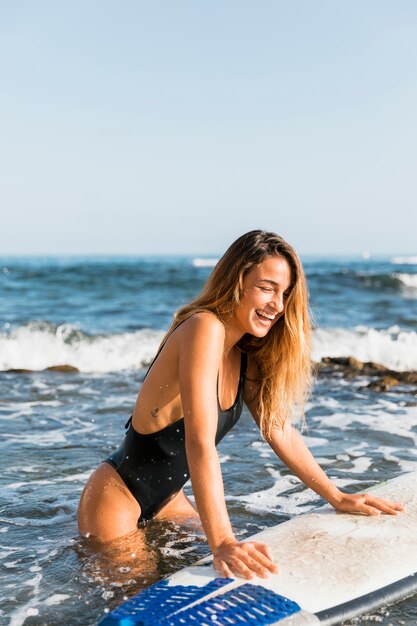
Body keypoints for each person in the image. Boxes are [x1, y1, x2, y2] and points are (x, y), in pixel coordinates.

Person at [78, 230, 404, 580]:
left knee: (232, 575)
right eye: (266, 288)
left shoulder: (245, 352)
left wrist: (337, 496)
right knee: (134, 599)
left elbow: (278, 428)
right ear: (236, 281)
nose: (277, 305)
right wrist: (223, 543)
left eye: (284, 293)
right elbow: (200, 443)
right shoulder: (203, 327)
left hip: (169, 501)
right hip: (117, 499)